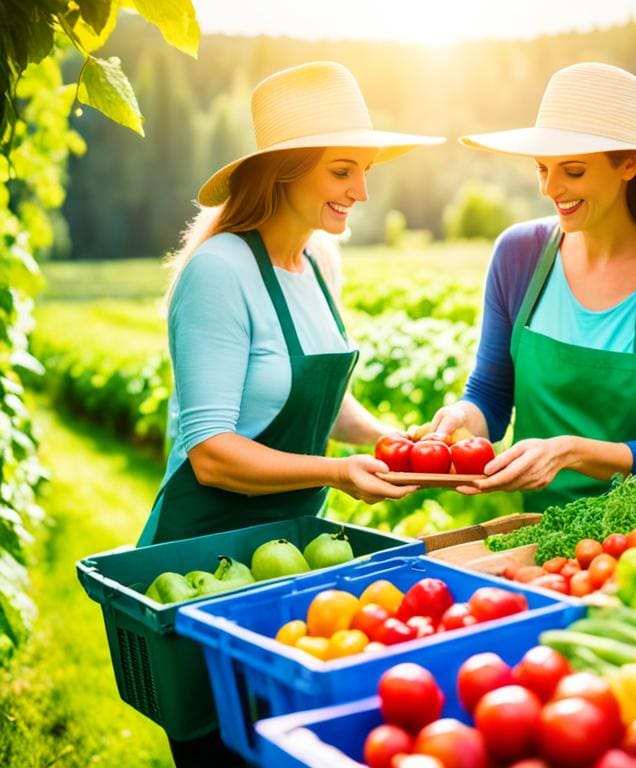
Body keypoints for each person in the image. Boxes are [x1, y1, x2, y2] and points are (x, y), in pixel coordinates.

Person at [136, 61, 442, 765]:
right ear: (283, 171)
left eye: (363, 171)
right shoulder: (220, 272)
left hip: (292, 554)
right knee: (224, 743)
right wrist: (340, 472)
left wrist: (386, 439)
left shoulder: (318, 260)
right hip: (207, 557)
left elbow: (314, 395)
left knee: (289, 740)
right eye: (342, 172)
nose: (361, 192)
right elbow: (211, 453)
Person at [426, 62, 636, 512]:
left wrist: (570, 451)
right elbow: (490, 396)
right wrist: (462, 419)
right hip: (531, 535)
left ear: (628, 164)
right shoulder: (518, 255)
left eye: (572, 171)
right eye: (542, 169)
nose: (551, 188)